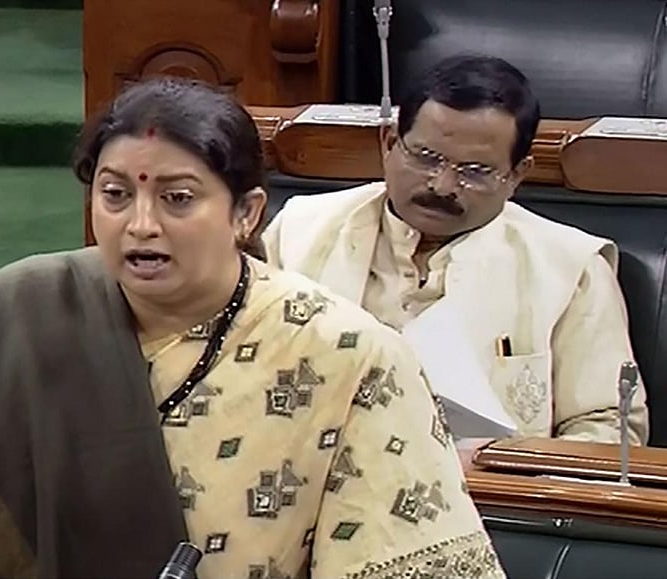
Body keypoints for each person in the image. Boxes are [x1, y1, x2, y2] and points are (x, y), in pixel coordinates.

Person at [0, 77, 505, 579]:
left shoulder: (347, 356)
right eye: (115, 194)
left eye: (177, 198)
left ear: (246, 213)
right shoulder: (16, 311)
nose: (140, 225)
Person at [263, 55, 649, 452]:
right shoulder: (298, 231)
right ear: (390, 143)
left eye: (476, 171)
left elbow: (607, 429)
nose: (443, 185)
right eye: (426, 158)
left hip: (487, 503)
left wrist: (500, 470)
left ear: (517, 175)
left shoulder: (571, 268)